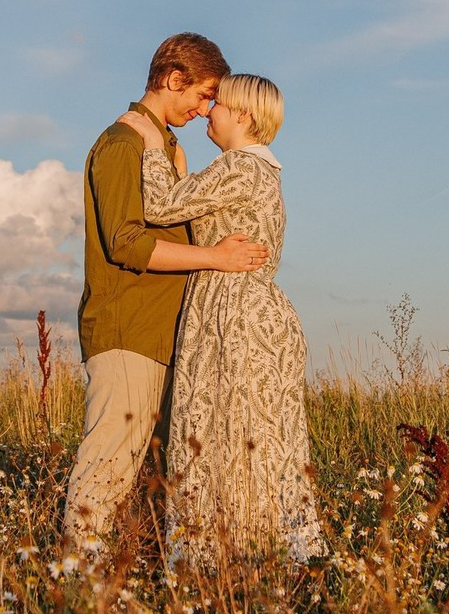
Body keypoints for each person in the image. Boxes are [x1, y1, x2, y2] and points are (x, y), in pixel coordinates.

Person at [62, 33, 270, 551]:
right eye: (203, 95)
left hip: (167, 334)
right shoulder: (123, 143)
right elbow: (127, 244)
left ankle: (137, 577)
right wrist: (217, 258)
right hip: (129, 327)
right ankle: (77, 588)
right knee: (107, 468)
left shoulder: (166, 148)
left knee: (160, 475)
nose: (206, 111)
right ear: (174, 80)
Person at [118, 73, 324, 568]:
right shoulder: (259, 171)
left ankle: (215, 562)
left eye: (218, 104)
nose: (208, 110)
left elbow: (161, 206)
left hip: (233, 314)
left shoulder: (240, 167)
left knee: (221, 432)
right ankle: (267, 558)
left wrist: (149, 143)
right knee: (253, 435)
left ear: (243, 115)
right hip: (247, 309)